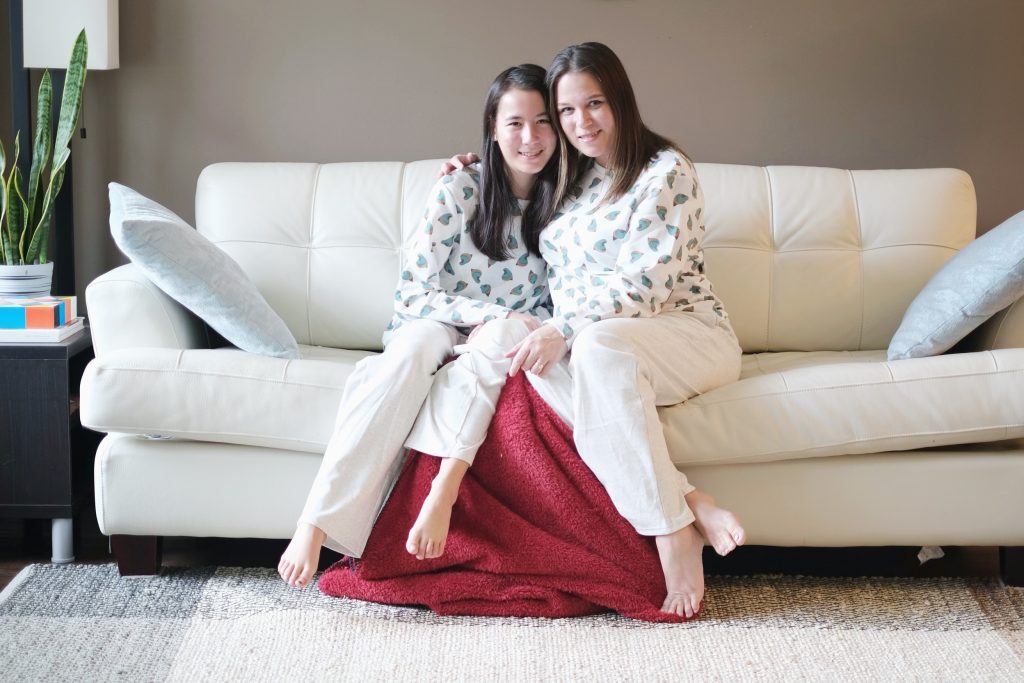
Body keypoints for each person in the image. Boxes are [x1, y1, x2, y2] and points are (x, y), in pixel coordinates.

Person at [479, 42, 745, 619]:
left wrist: (565, 328)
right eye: (567, 111)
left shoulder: (666, 172)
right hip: (597, 344)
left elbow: (646, 286)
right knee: (519, 352)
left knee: (593, 346)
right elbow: (513, 167)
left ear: (621, 99)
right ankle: (690, 500)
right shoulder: (573, 178)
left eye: (594, 103)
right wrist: (470, 165)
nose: (581, 123)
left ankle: (671, 532)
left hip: (685, 332)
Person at [278, 64, 558, 587]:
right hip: (435, 323)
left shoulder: (567, 206)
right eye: (515, 123)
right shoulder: (458, 190)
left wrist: (504, 325)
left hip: (502, 340)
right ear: (492, 129)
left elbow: (557, 307)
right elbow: (413, 292)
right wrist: (490, 315)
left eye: (543, 122)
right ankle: (315, 522)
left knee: (499, 341)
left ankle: (437, 494)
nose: (531, 138)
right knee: (411, 354)